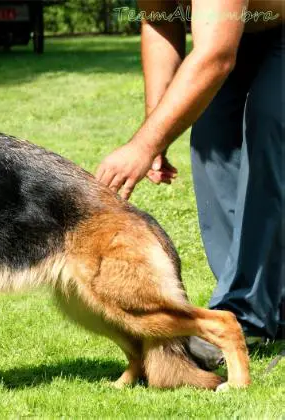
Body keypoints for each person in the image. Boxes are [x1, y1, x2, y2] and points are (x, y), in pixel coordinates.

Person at [96, 0, 284, 367]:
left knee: (270, 131)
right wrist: (156, 132)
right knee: (211, 142)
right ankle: (267, 304)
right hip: (236, 29)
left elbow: (215, 56)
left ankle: (241, 313)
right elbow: (160, 22)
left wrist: (142, 145)